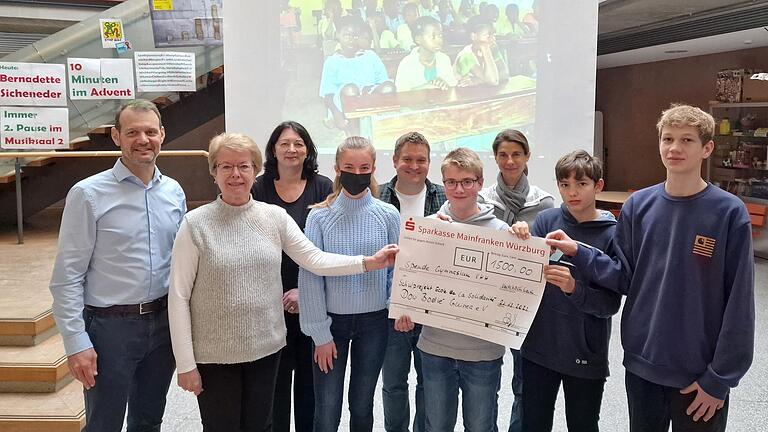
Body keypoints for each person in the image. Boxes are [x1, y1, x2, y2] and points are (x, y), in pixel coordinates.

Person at [168, 133, 398, 431]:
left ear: (255, 171)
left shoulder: (274, 217)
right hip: (216, 355)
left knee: (263, 425)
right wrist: (185, 364)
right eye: (226, 166)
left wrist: (368, 263)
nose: (236, 174)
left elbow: (314, 260)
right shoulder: (195, 224)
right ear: (213, 172)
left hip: (266, 349)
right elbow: (178, 296)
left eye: (244, 166)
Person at [546, 104, 755, 432]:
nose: (674, 148)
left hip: (699, 373)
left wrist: (720, 379)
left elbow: (740, 304)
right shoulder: (638, 206)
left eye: (687, 140)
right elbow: (624, 278)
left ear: (707, 148)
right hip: (642, 367)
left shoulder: (728, 212)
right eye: (667, 138)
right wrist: (580, 252)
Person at [49, 99, 186, 432]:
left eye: (150, 132)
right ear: (116, 136)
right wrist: (76, 342)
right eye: (133, 132)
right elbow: (67, 276)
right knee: (103, 424)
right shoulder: (88, 194)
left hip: (163, 325)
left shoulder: (173, 192)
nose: (143, 139)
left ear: (162, 135)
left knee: (149, 419)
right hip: (111, 329)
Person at [395, 147, 508, 432]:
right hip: (435, 348)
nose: (459, 189)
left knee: (480, 426)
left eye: (467, 181)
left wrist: (521, 238)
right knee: (436, 426)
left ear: (481, 183)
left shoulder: (502, 232)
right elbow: (410, 279)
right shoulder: (426, 228)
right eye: (451, 182)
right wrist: (404, 310)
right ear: (442, 183)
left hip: (484, 351)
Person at [510, 150, 621, 432]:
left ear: (598, 186)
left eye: (581, 184)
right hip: (538, 347)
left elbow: (610, 304)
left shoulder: (612, 233)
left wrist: (574, 288)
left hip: (585, 351)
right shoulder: (547, 220)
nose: (572, 192)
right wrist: (518, 237)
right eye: (564, 185)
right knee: (533, 422)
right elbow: (526, 272)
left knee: (583, 424)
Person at [300, 136, 401, 432]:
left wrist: (397, 306)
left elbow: (397, 271)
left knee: (362, 405)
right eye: (349, 167)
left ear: (372, 169)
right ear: (337, 169)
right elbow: (310, 276)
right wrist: (319, 333)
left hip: (374, 323)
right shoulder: (319, 217)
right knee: (327, 408)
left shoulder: (388, 215)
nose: (357, 174)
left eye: (364, 167)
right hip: (332, 325)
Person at [251, 121, 334, 432]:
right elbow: (252, 242)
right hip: (269, 302)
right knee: (274, 383)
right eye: (284, 143)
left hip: (312, 297)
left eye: (298, 143)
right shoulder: (258, 187)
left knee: (310, 384)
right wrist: (275, 293)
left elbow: (329, 246)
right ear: (273, 149)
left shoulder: (323, 186)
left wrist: (304, 291)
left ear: (308, 150)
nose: (291, 149)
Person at [478, 129, 553, 432]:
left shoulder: (544, 202)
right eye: (503, 155)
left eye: (516, 154)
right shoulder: (481, 200)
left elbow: (551, 252)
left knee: (524, 381)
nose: (510, 161)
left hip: (526, 305)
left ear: (527, 157)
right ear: (495, 158)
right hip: (487, 302)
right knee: (485, 381)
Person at [378, 131, 446, 432]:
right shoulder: (376, 196)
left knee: (428, 384)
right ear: (394, 161)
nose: (414, 166)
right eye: (407, 159)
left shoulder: (445, 197)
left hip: (431, 309)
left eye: (421, 160)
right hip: (388, 309)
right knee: (393, 383)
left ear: (429, 163)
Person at [319, 15, 395, 134]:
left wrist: (370, 91)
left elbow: (382, 80)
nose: (351, 40)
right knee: (351, 89)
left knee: (389, 87)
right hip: (344, 102)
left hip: (369, 97)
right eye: (347, 35)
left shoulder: (370, 56)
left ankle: (381, 127)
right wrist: (336, 114)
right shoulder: (332, 62)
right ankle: (354, 133)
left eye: (355, 36)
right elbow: (327, 94)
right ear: (338, 35)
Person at [395, 16, 458, 92]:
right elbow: (401, 94)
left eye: (440, 36)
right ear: (418, 39)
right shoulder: (407, 63)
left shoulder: (444, 59)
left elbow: (453, 87)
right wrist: (426, 88)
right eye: (433, 36)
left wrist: (445, 84)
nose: (439, 40)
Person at [454, 16, 509, 86]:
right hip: (464, 95)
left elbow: (505, 74)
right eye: (487, 35)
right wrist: (485, 48)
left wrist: (478, 80)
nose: (493, 39)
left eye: (493, 35)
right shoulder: (465, 57)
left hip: (484, 93)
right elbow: (492, 81)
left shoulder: (493, 49)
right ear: (473, 36)